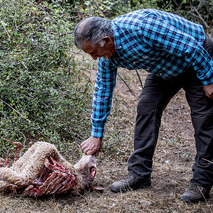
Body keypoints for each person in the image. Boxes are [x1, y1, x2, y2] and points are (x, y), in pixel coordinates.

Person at [74, 9, 213, 203]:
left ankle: (202, 182)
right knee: (146, 108)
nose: (94, 58)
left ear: (107, 40)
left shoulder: (142, 27)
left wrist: (208, 79)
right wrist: (96, 134)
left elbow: (190, 48)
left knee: (203, 119)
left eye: (94, 52)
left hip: (198, 56)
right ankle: (139, 174)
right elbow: (103, 90)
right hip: (166, 66)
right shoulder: (107, 54)